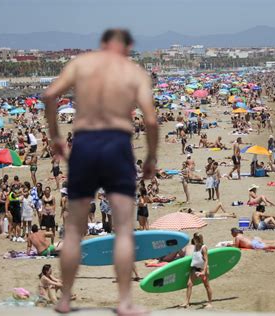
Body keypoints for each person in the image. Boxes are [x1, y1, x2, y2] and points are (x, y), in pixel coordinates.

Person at [43, 29, 158, 315]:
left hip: (84, 142)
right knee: (122, 229)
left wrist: (56, 137)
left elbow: (50, 95)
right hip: (117, 144)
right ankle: (123, 302)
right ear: (128, 47)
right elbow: (151, 120)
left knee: (73, 229)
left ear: (103, 44)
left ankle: (65, 300)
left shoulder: (82, 64)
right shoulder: (133, 72)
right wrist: (151, 158)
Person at [182, 233, 212, 309]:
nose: (193, 240)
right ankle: (187, 302)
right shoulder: (195, 246)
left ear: (197, 239)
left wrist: (203, 271)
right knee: (189, 284)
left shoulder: (203, 248)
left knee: (207, 285)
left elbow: (206, 260)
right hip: (194, 268)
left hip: (202, 269)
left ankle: (210, 303)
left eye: (195, 239)